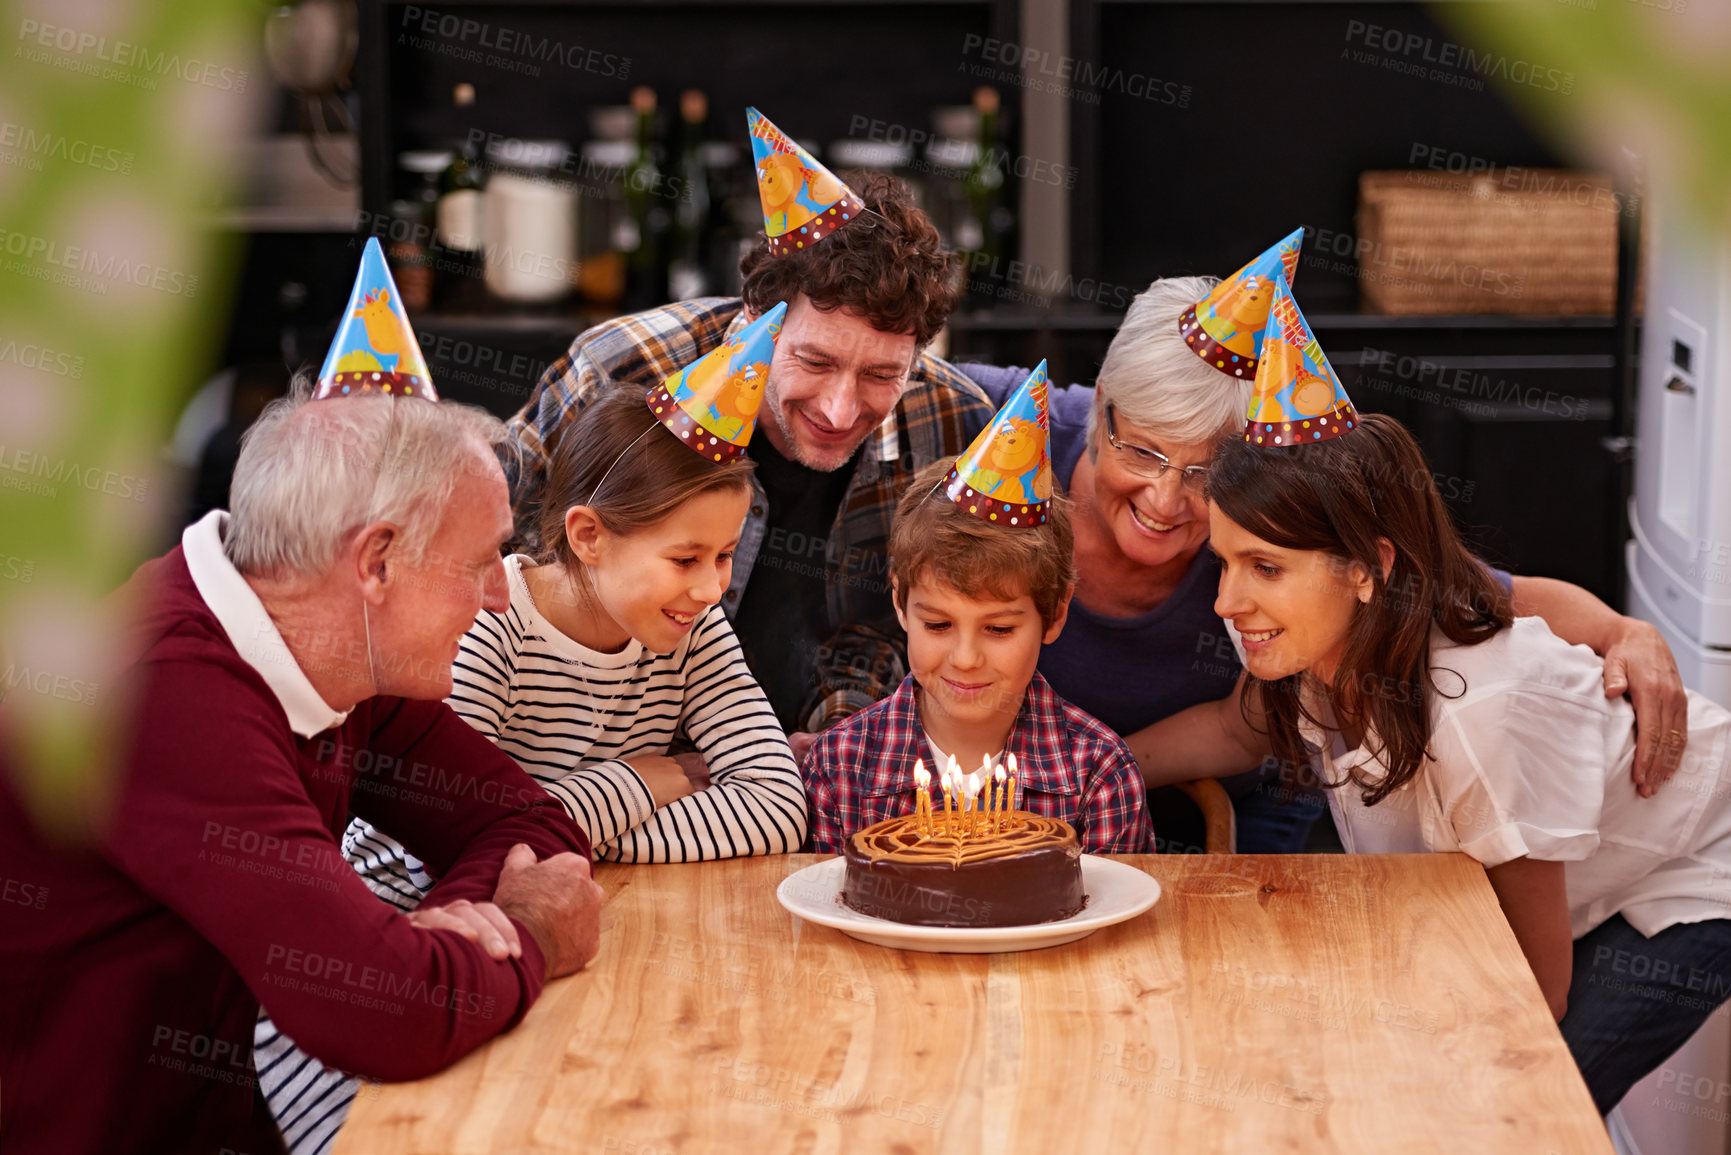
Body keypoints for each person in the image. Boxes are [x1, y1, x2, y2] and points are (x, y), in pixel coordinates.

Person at [1136, 283, 1726, 1113]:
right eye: (1224, 560)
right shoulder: (1296, 632)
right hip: (1577, 868)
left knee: (1517, 1101)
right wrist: (1100, 766)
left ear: (1368, 567)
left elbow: (1531, 988)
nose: (1227, 602)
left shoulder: (1479, 719)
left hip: (1693, 868)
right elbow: (1239, 730)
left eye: (1264, 566)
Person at [0, 382, 603, 1154]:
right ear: (376, 561)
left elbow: (531, 826)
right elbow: (380, 1009)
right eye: (483, 560)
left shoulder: (340, 647)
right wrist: (529, 932)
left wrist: (445, 944)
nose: (498, 598)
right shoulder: (159, 693)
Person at [960, 236, 1687, 851]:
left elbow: (1490, 593)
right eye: (1141, 451)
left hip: (1244, 815)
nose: (1163, 499)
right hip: (989, 806)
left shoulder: (1276, 512)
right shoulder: (1016, 429)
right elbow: (875, 381)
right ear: (1102, 410)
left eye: (1206, 469)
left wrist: (1626, 631)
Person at [507, 159, 994, 747]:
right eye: (814, 362)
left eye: (881, 374)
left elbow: (896, 626)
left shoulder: (954, 425)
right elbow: (496, 553)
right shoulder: (618, 371)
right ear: (748, 326)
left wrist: (836, 738)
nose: (840, 411)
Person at [804, 367, 1152, 854]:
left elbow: (1119, 925)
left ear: (1054, 615)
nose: (965, 658)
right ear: (900, 601)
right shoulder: (840, 765)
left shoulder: (1099, 774)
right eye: (939, 624)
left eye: (999, 628)